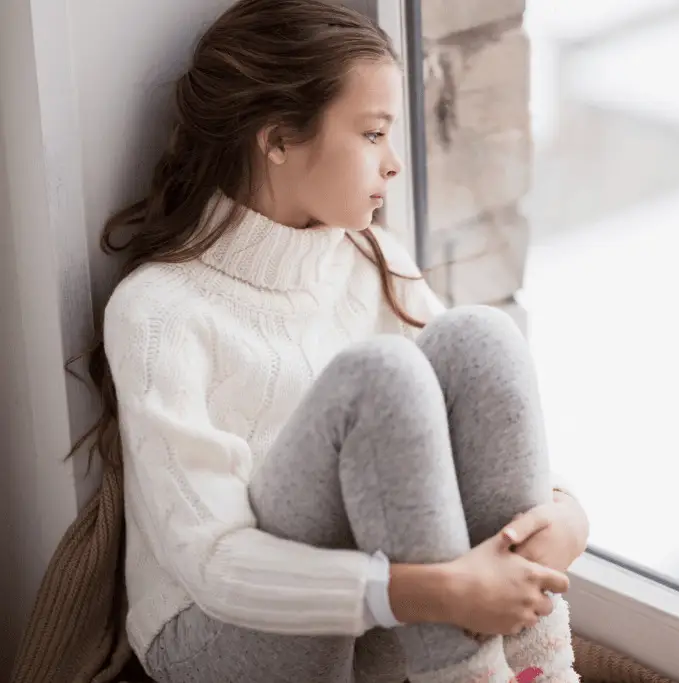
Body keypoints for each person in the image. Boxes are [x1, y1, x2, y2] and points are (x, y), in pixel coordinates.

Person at [81, 1, 590, 682]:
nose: (394, 164)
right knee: (381, 376)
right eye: (373, 134)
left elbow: (479, 430)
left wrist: (564, 514)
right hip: (218, 630)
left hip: (373, 609)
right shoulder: (158, 311)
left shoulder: (366, 254)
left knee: (479, 336)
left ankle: (542, 671)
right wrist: (437, 590)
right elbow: (217, 565)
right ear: (279, 138)